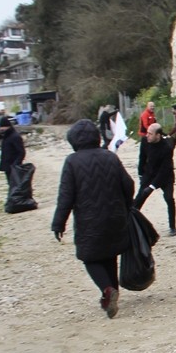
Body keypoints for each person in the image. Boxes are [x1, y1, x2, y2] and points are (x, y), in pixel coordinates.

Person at [51, 119, 135, 319]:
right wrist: (125, 205)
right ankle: (112, 292)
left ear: (73, 140)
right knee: (110, 254)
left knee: (89, 257)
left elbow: (66, 196)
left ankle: (107, 290)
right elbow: (128, 184)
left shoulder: (72, 161)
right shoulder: (109, 157)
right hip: (115, 216)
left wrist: (58, 223)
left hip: (89, 218)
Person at [135, 122, 176, 236]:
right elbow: (142, 159)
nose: (147, 135)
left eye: (150, 134)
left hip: (165, 176)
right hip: (149, 174)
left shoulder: (167, 147)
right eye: (147, 133)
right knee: (138, 200)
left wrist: (152, 187)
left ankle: (172, 227)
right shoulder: (145, 141)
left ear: (158, 135)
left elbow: (164, 170)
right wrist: (141, 175)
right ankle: (130, 224)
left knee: (169, 199)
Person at [0, 116, 25, 189]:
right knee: (12, 185)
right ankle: (13, 199)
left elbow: (21, 152)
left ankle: (15, 199)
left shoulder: (14, 136)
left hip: (13, 166)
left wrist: (15, 164)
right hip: (8, 166)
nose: (0, 129)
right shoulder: (6, 136)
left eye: (1, 127)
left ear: (6, 126)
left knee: (15, 186)